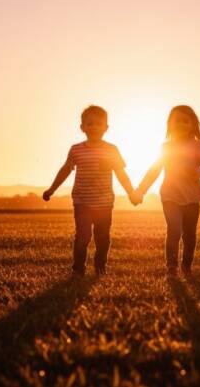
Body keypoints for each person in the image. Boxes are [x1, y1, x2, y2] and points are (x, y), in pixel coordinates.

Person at [43, 105, 139, 276]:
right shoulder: (76, 150)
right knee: (83, 236)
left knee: (103, 239)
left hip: (104, 203)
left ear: (106, 128)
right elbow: (65, 170)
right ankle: (78, 269)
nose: (94, 127)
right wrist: (51, 189)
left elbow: (121, 173)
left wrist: (131, 192)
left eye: (99, 124)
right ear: (82, 128)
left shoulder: (111, 150)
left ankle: (100, 266)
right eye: (89, 124)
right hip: (82, 202)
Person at [132, 105, 200, 277]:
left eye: (186, 121)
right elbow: (154, 171)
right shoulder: (166, 147)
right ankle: (172, 267)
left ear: (192, 125)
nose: (181, 124)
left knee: (190, 235)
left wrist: (196, 172)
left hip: (192, 197)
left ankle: (186, 267)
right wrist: (140, 190)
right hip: (170, 196)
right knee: (174, 230)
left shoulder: (197, 146)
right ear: (169, 123)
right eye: (177, 120)